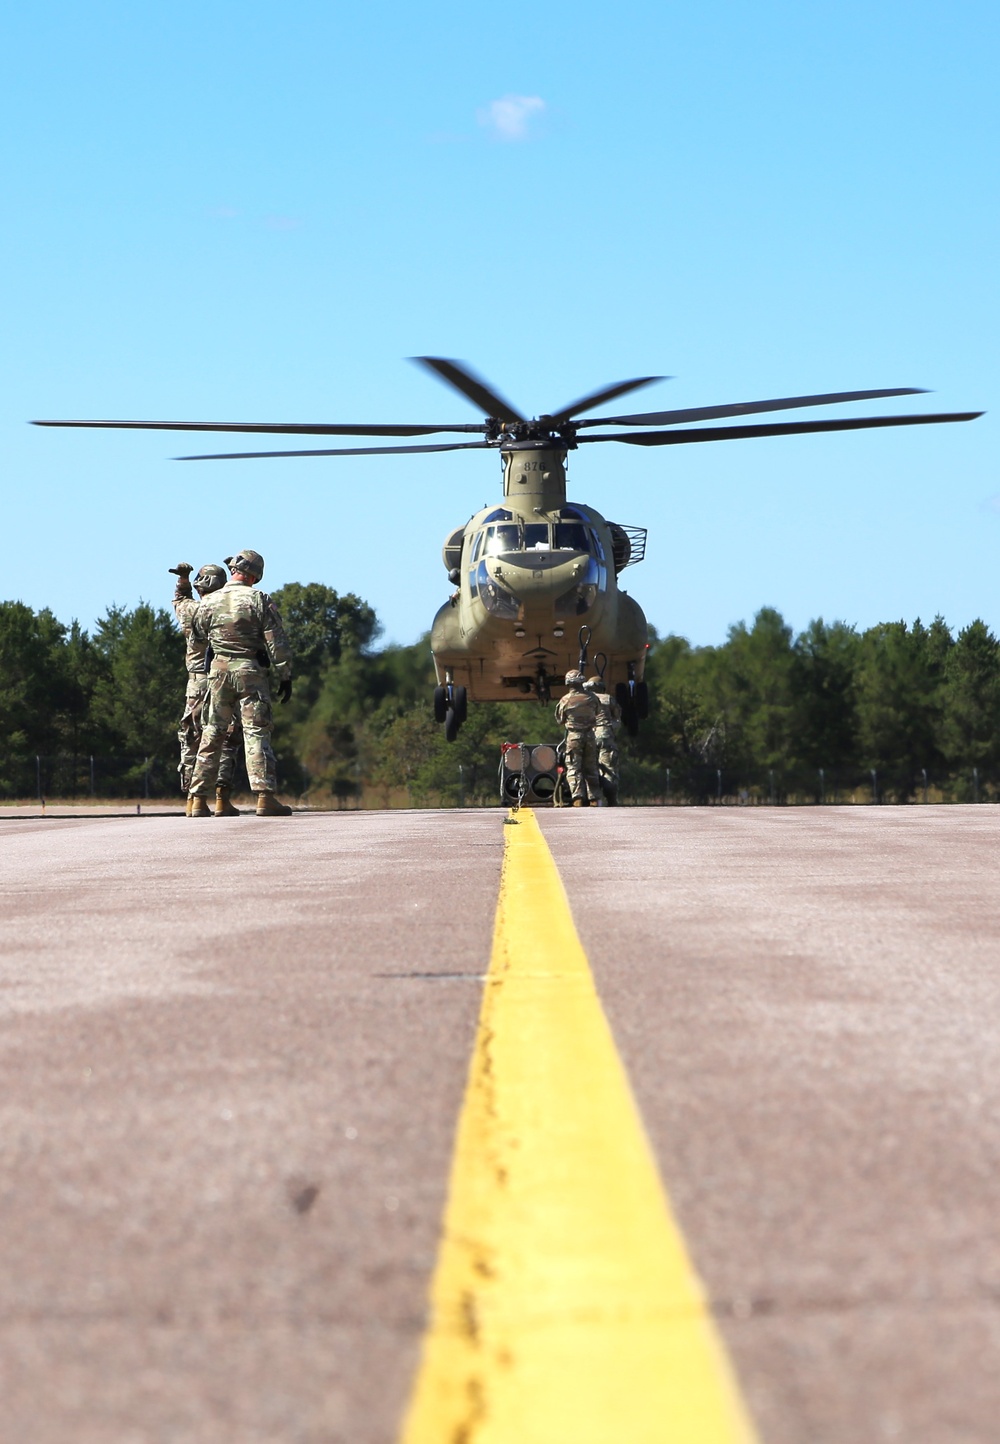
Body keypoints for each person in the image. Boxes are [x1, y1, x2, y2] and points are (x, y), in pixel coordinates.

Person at [186, 549, 294, 818]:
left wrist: (204, 671)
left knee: (212, 733)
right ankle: (264, 798)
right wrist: (285, 675)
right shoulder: (259, 599)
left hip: (218, 673)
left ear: (234, 569)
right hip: (250, 672)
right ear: (255, 575)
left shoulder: (209, 601)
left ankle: (198, 800)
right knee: (255, 732)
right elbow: (276, 642)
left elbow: (196, 639)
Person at [170, 562, 242, 816]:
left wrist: (183, 578)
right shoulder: (226, 609)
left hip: (197, 680)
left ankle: (193, 799)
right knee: (226, 737)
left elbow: (180, 599)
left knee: (192, 737)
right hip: (222, 676)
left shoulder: (190, 609)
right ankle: (222, 797)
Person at [554, 670, 601, 807]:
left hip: (574, 737)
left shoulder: (565, 700)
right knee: (591, 767)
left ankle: (578, 798)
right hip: (590, 736)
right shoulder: (592, 697)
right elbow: (597, 712)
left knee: (574, 768)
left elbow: (560, 719)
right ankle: (594, 799)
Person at [584, 674, 623, 805]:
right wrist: (610, 728)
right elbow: (617, 719)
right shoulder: (608, 699)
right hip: (606, 735)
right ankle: (611, 799)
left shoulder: (586, 700)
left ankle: (593, 798)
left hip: (590, 737)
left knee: (590, 768)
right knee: (609, 768)